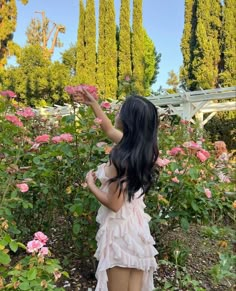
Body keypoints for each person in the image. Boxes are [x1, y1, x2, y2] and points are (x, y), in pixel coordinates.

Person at [73, 89, 159, 291]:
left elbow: (114, 204)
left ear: (129, 121)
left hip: (120, 233)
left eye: (121, 111)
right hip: (137, 230)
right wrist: (94, 104)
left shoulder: (121, 157)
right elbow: (109, 130)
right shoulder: (140, 150)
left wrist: (91, 184)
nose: (117, 114)